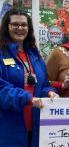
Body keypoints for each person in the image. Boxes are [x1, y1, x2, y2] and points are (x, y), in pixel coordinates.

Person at [0, 9, 59, 147]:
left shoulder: (34, 55)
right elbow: (2, 89)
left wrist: (49, 92)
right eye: (15, 24)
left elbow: (43, 84)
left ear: (29, 28)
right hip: (9, 129)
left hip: (35, 127)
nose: (20, 28)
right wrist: (28, 99)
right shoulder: (2, 54)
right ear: (6, 27)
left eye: (24, 25)